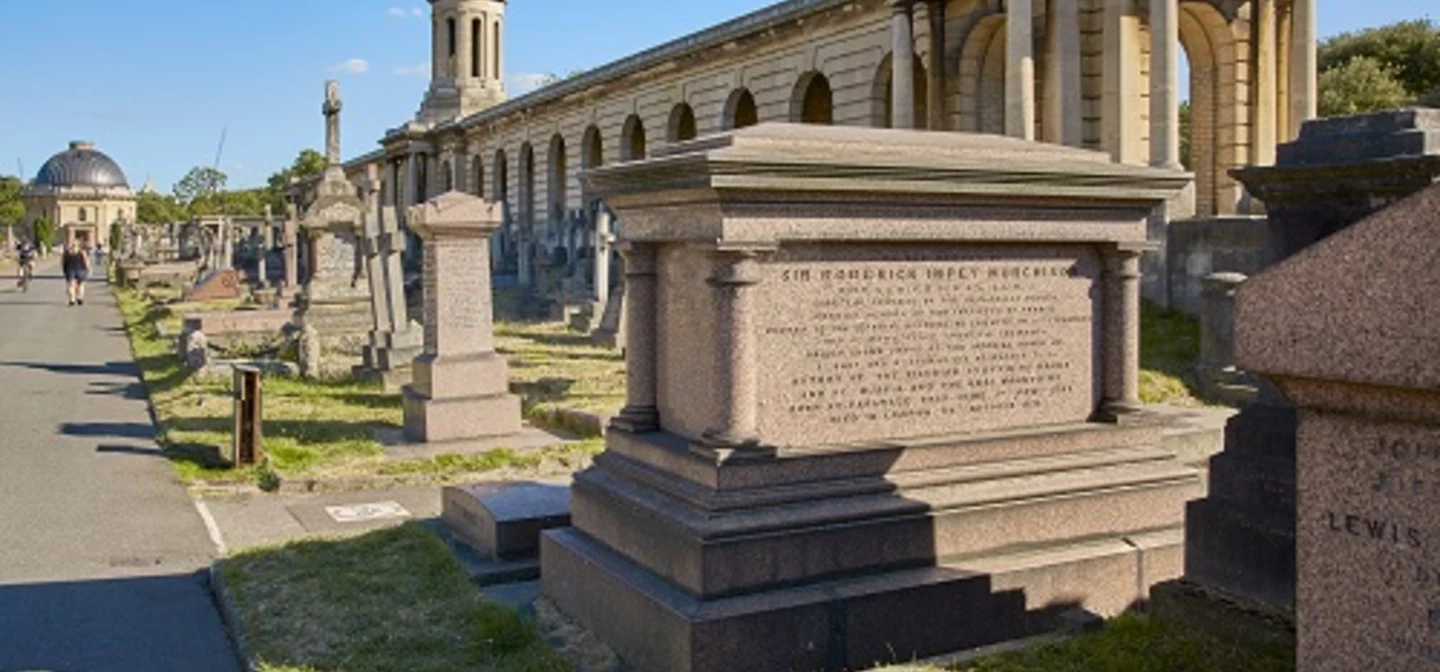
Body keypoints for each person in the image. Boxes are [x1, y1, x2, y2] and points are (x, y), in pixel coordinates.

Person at [60, 242, 90, 306]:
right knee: (81, 285)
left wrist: (64, 269)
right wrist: (88, 268)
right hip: (81, 270)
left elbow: (62, 262)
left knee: (71, 285)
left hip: (70, 270)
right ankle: (80, 298)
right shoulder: (82, 252)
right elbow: (86, 261)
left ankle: (72, 299)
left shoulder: (66, 253)